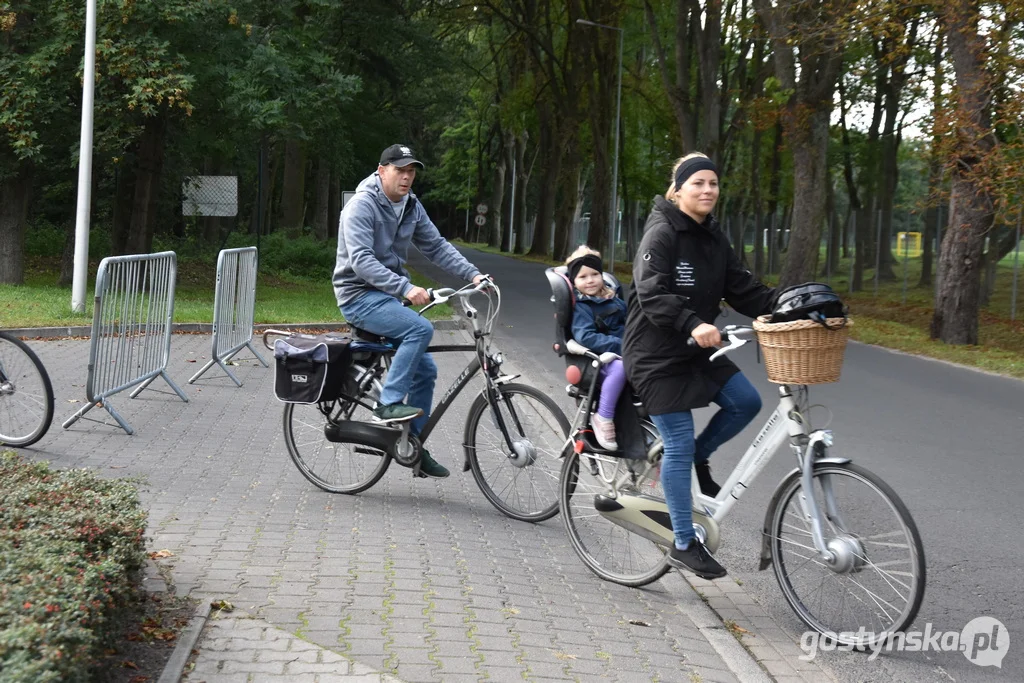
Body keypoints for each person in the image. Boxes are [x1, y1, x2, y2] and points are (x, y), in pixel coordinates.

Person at [623, 152, 776, 579]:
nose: (707, 190)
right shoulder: (661, 232)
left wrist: (787, 305)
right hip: (656, 354)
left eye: (713, 183)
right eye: (698, 183)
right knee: (678, 440)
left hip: (697, 348)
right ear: (679, 188)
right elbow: (651, 294)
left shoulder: (713, 236)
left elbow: (742, 287)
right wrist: (693, 322)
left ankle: (698, 457)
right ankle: (684, 543)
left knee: (745, 401)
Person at [333, 143, 487, 479]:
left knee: (426, 371)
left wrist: (473, 274)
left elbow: (435, 245)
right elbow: (360, 262)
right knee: (420, 330)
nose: (407, 177)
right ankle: (387, 404)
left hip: (387, 298)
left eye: (412, 171)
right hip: (358, 295)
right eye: (400, 170)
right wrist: (405, 287)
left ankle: (411, 447)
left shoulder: (410, 205)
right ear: (381, 170)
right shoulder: (361, 206)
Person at [566, 246, 627, 451]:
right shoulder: (581, 307)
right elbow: (586, 337)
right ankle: (603, 417)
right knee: (621, 369)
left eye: (595, 274)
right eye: (583, 276)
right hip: (594, 363)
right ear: (574, 281)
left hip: (624, 353)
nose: (590, 280)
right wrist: (621, 344)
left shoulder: (614, 300)